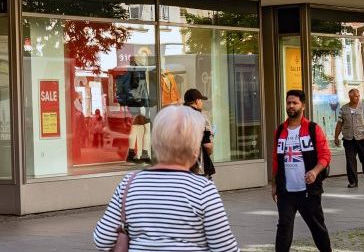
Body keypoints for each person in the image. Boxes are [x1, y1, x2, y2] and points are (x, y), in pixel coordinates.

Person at [92, 105, 238, 251]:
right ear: (195, 151)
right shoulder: (203, 190)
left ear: (154, 144)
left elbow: (102, 239)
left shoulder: (129, 184)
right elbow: (225, 248)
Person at [272, 89, 332, 252]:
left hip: (308, 191)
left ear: (303, 105)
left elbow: (325, 155)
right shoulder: (280, 131)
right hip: (286, 192)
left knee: (317, 227)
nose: (291, 106)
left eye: (295, 103)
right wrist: (275, 184)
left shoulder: (313, 129)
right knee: (284, 227)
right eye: (288, 102)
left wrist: (315, 171)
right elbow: (276, 159)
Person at [332, 88, 364, 188]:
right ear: (350, 96)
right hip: (348, 139)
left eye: (358, 95)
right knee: (350, 161)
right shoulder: (343, 109)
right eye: (355, 96)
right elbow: (340, 123)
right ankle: (353, 182)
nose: (358, 97)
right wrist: (336, 137)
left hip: (363, 138)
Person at [183, 88, 215, 179]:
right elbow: (208, 145)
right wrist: (209, 151)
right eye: (201, 100)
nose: (202, 103)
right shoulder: (201, 118)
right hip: (198, 166)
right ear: (197, 101)